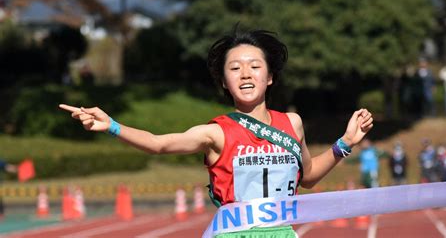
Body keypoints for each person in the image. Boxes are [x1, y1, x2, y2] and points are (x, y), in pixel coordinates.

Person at [59, 27, 374, 237]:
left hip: (281, 232)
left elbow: (308, 177)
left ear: (271, 78)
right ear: (224, 82)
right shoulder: (217, 132)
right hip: (233, 232)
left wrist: (344, 143)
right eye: (235, 68)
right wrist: (112, 125)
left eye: (255, 66)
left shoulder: (292, 124)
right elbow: (159, 144)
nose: (246, 73)